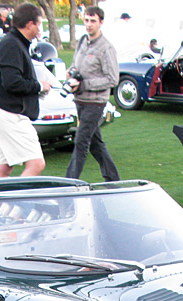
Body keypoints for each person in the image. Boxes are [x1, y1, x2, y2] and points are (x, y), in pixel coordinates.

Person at [0, 3, 52, 178]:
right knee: (37, 164)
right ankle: (17, 204)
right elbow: (12, 83)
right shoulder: (11, 45)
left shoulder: (15, 43)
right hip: (10, 115)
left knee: (3, 169)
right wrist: (39, 86)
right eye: (38, 24)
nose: (39, 29)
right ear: (30, 24)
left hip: (3, 113)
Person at [64, 6, 120, 182]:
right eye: (86, 20)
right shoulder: (82, 41)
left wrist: (84, 84)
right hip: (79, 100)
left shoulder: (106, 48)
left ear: (101, 22)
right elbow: (75, 64)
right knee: (96, 144)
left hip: (95, 102)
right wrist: (71, 72)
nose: (89, 24)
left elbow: (113, 79)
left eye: (93, 21)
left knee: (81, 142)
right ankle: (114, 181)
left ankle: (68, 185)